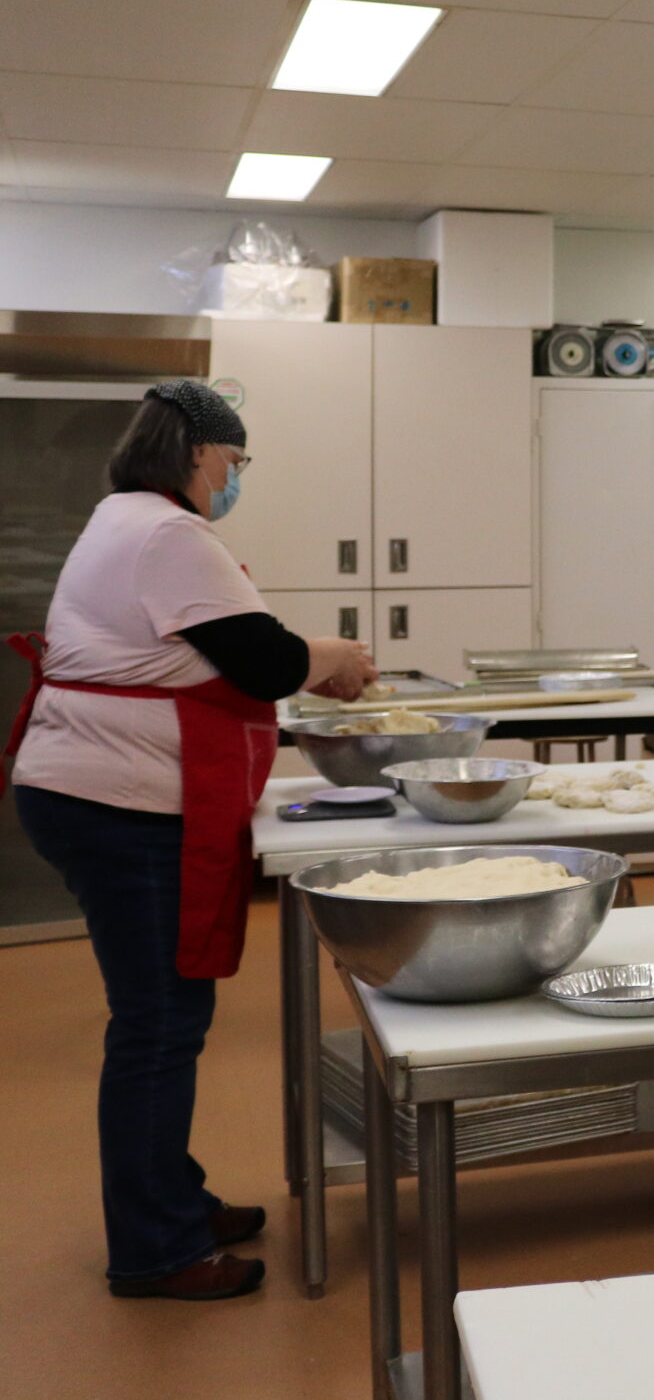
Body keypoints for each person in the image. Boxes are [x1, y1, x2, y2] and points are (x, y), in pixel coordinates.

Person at [5, 382, 377, 1300]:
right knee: (158, 1025)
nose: (236, 477)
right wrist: (337, 655)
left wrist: (306, 662)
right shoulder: (167, 532)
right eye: (235, 461)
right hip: (116, 803)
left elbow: (207, 654)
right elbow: (265, 659)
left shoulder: (126, 520)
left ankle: (174, 1199)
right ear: (199, 451)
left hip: (92, 793)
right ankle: (156, 1247)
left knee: (167, 1016)